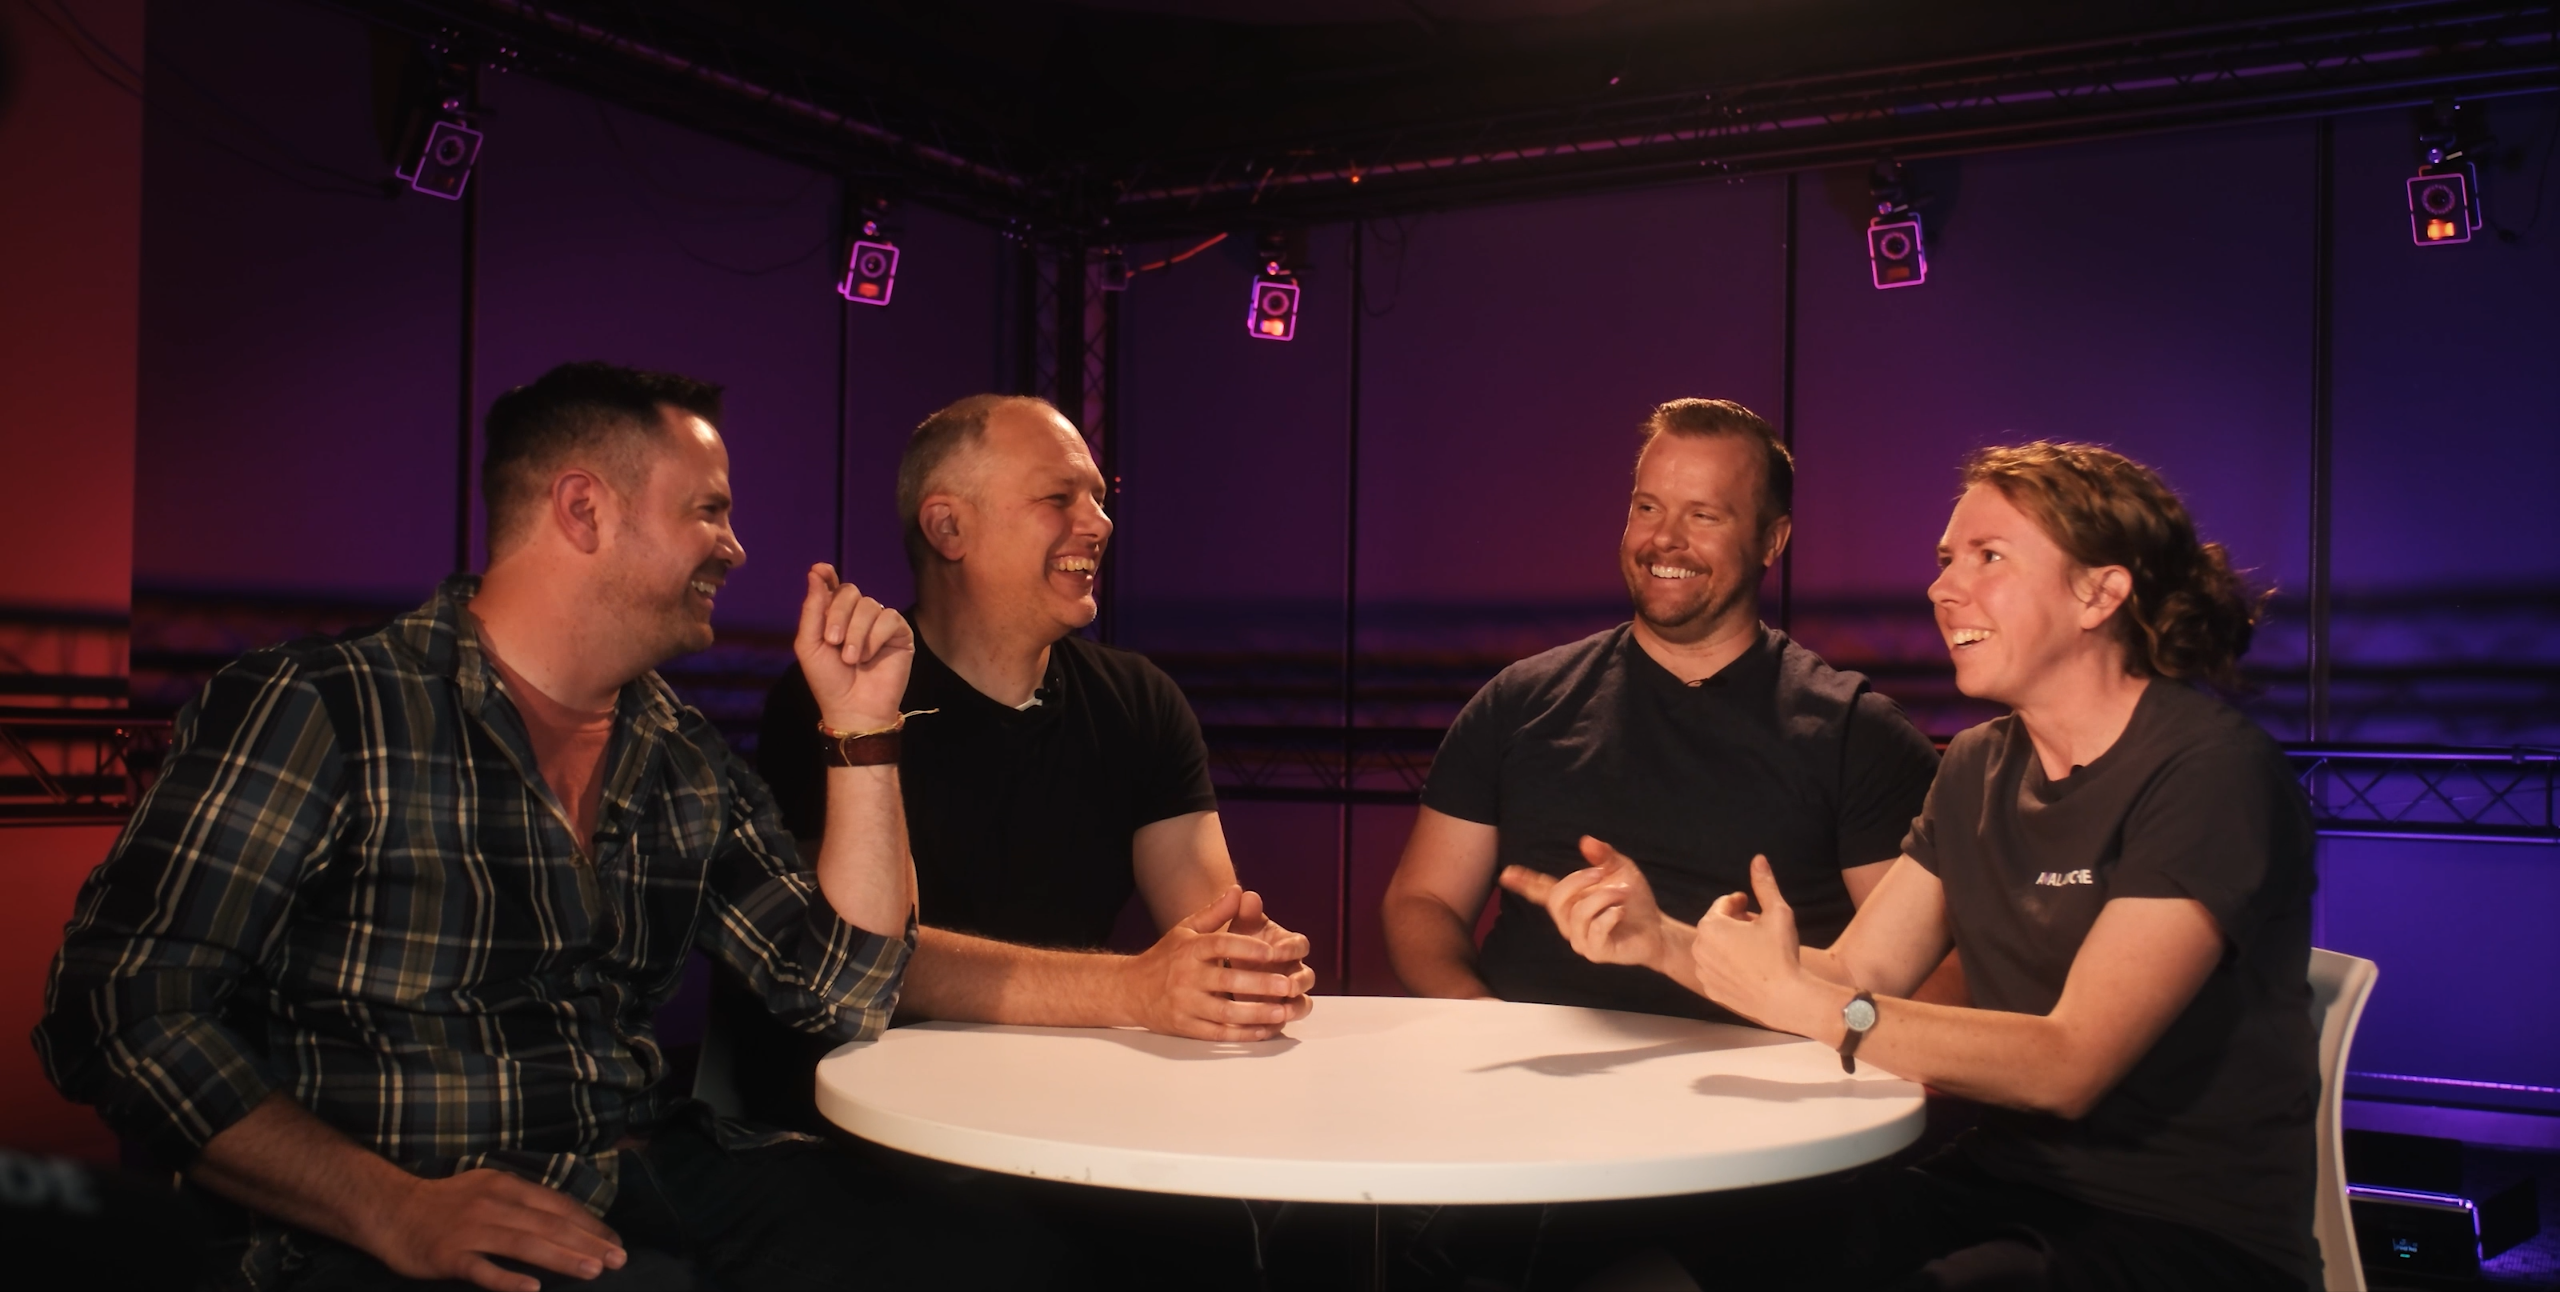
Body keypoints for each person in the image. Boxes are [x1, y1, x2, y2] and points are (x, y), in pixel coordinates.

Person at [37, 363, 1031, 1291]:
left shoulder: (678, 752)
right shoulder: (326, 706)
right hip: (397, 1211)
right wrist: (386, 1204)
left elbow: (840, 990)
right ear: (584, 509)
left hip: (655, 1174)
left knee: (997, 1242)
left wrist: (862, 729)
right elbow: (121, 1010)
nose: (734, 545)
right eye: (709, 510)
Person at [1516, 441, 2319, 1289]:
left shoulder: (2206, 771)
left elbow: (2069, 1064)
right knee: (1654, 1274)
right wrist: (1661, 941)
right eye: (1945, 560)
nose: (1943, 587)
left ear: (2099, 593)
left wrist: (1827, 1011)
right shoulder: (1976, 765)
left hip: (2187, 1238)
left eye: (1989, 557)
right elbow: (1860, 969)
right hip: (2001, 1186)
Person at [758, 394, 1312, 1042]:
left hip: (1064, 1108)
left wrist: (1243, 965)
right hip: (865, 1110)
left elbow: (1208, 923)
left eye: (1099, 497)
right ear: (948, 529)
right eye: (1059, 498)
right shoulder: (836, 696)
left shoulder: (1139, 700)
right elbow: (862, 960)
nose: (1098, 523)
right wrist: (1132, 987)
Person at [1381, 397, 1947, 1022]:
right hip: (1532, 1089)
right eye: (1647, 508)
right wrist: (1477, 1020)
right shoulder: (1518, 702)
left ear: (1772, 540)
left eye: (1703, 515)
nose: (1664, 539)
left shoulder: (1856, 733)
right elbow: (1423, 900)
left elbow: (1924, 982)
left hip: (1758, 1101)